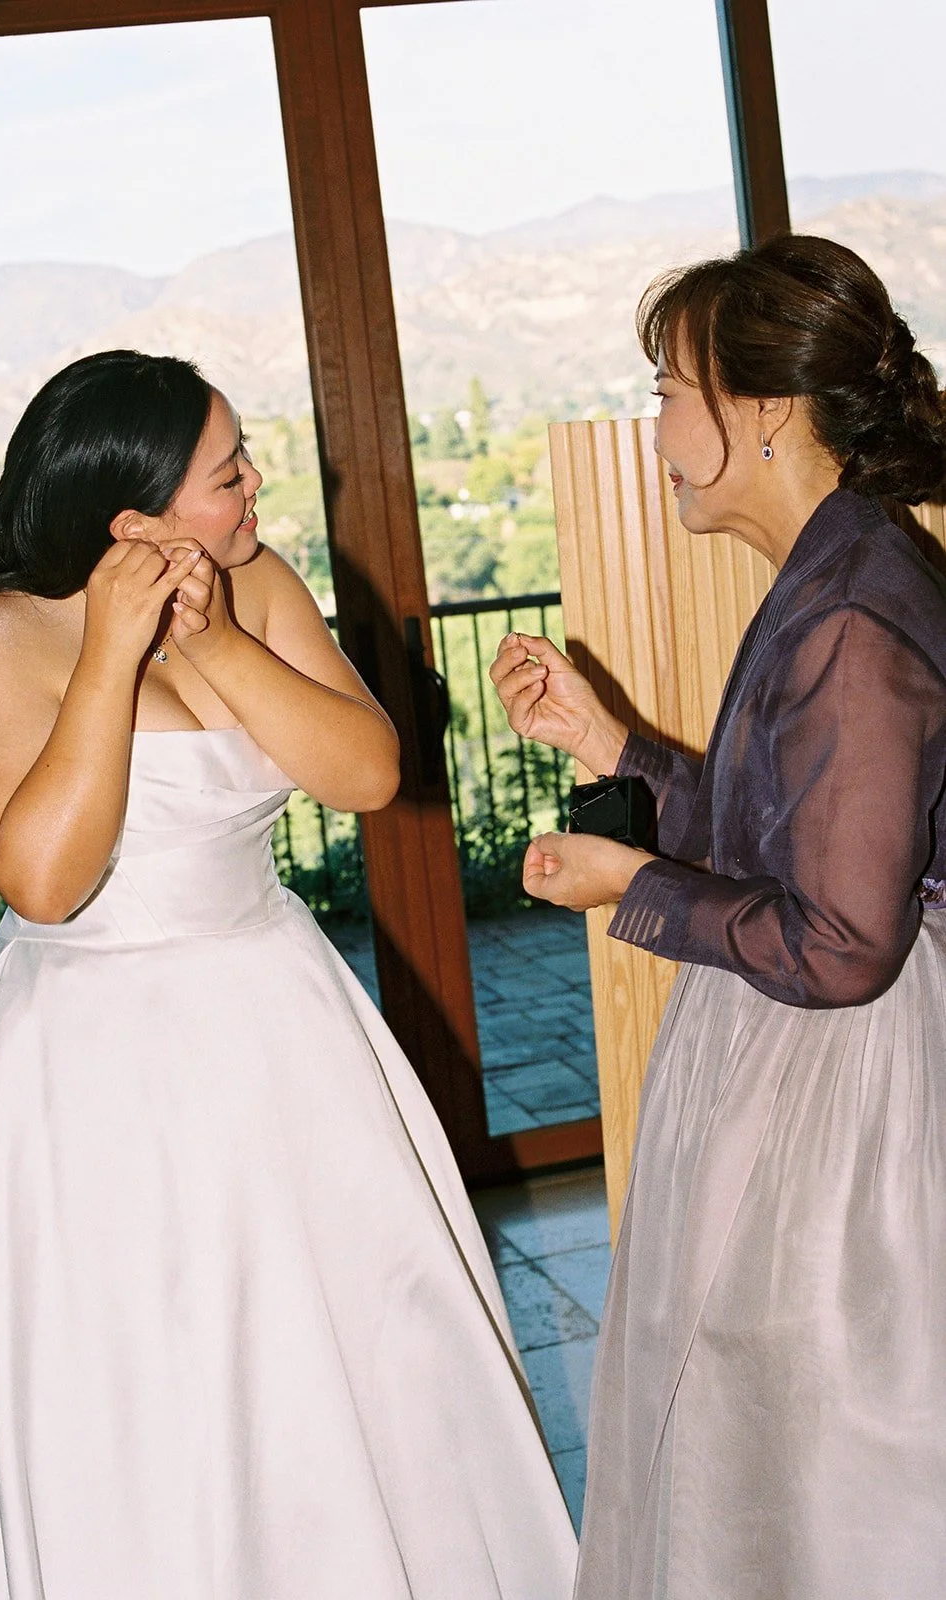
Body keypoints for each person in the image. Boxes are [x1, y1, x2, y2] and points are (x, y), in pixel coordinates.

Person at [0, 349, 576, 1599]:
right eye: (225, 473)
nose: (256, 485)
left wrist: (209, 648)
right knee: (143, 1382)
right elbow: (42, 878)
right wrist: (111, 650)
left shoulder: (255, 582)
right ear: (129, 519)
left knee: (340, 1362)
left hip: (275, 1024)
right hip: (93, 1065)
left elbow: (365, 771)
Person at [491, 235, 946, 1599]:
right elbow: (786, 835)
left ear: (757, 411)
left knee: (797, 1445)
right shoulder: (837, 570)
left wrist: (630, 886)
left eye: (665, 391)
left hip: (841, 1099)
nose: (657, 431)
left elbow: (841, 943)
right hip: (813, 1071)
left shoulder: (851, 615)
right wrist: (618, 749)